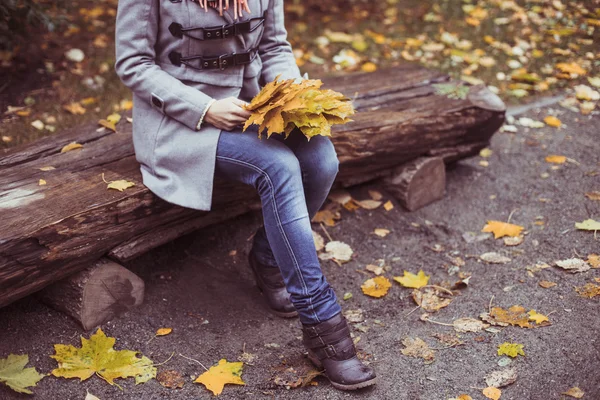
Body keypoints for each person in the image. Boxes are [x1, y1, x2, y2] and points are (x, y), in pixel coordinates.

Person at [114, 0, 376, 390]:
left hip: (253, 107)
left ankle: (268, 257)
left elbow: (274, 47)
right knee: (279, 167)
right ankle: (322, 325)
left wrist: (289, 96)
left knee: (322, 160)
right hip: (183, 122)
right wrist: (204, 108)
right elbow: (132, 63)